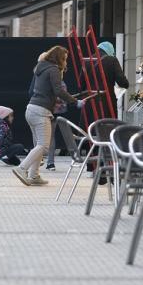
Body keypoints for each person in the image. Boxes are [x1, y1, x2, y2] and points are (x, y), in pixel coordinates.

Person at [13, 46, 84, 186]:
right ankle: (22, 168)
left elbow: (50, 91)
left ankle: (34, 175)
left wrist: (68, 99)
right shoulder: (54, 70)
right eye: (65, 58)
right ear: (58, 58)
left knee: (38, 144)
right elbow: (58, 90)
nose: (66, 62)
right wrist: (75, 101)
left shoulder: (42, 67)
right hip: (41, 111)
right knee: (44, 146)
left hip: (31, 109)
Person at [96, 41, 129, 117]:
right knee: (107, 127)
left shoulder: (88, 60)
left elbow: (81, 84)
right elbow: (123, 82)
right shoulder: (112, 60)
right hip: (106, 104)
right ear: (109, 50)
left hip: (90, 104)